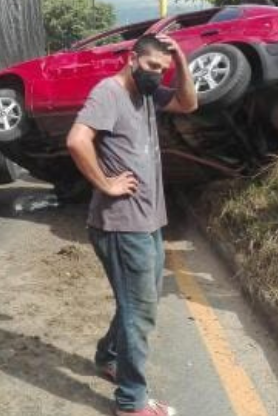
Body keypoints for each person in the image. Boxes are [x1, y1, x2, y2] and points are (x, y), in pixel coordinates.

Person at [66, 34, 196, 416]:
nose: (158, 74)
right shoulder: (109, 92)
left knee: (140, 302)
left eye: (163, 69)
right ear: (132, 58)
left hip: (148, 219)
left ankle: (109, 356)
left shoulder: (147, 94)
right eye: (153, 66)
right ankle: (131, 402)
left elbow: (189, 103)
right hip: (122, 225)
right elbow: (77, 140)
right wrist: (105, 183)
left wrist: (182, 62)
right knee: (140, 311)